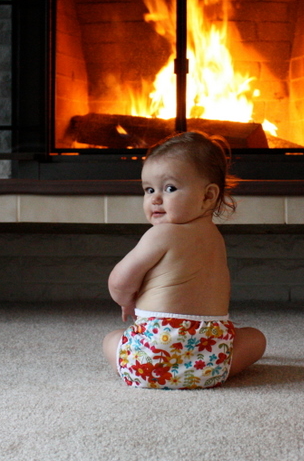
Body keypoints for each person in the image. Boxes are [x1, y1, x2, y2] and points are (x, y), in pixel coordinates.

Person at [102, 131, 266, 389]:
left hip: (147, 361)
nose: (155, 198)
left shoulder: (160, 234)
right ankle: (202, 373)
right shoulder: (215, 239)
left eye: (170, 188)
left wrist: (126, 300)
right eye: (148, 189)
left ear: (207, 196)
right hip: (210, 361)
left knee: (111, 339)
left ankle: (140, 369)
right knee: (256, 339)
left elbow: (119, 282)